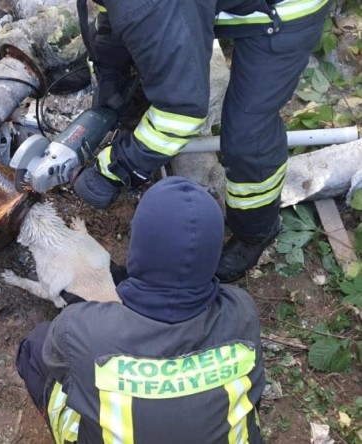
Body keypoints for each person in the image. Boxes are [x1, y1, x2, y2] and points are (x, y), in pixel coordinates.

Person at [72, 0, 329, 282]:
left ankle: (256, 230)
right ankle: (143, 124)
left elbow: (181, 113)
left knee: (247, 135)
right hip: (194, 8)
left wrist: (115, 169)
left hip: (283, 12)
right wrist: (110, 68)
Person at [17, 177, 266, 444]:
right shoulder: (241, 311)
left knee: (35, 346)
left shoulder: (81, 328)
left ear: (138, 249)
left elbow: (61, 368)